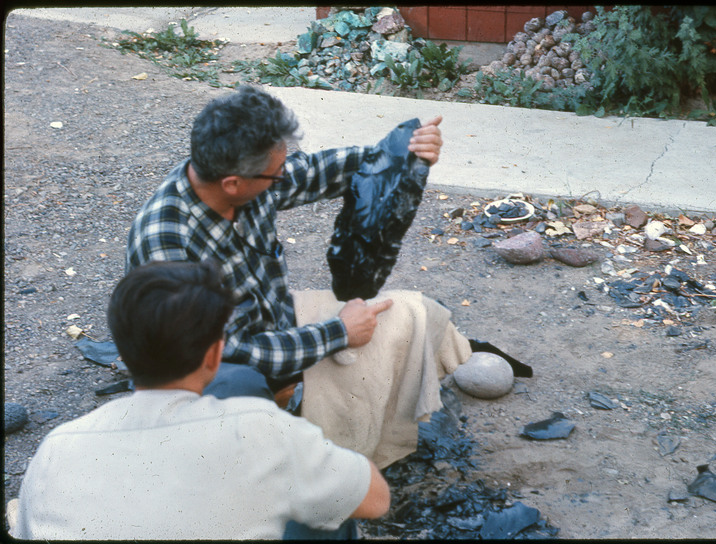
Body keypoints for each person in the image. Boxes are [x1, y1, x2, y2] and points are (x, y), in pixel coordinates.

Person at [126, 85, 472, 465]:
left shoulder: (243, 182)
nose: (283, 177)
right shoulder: (167, 243)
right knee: (250, 406)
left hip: (274, 332)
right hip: (210, 373)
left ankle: (293, 403)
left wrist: (404, 152)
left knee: (415, 314)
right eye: (275, 175)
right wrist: (337, 333)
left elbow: (319, 171)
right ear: (233, 182)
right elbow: (227, 351)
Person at [11, 260, 390, 540]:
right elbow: (375, 500)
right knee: (329, 517)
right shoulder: (259, 427)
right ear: (214, 355)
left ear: (122, 352)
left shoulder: (56, 447)